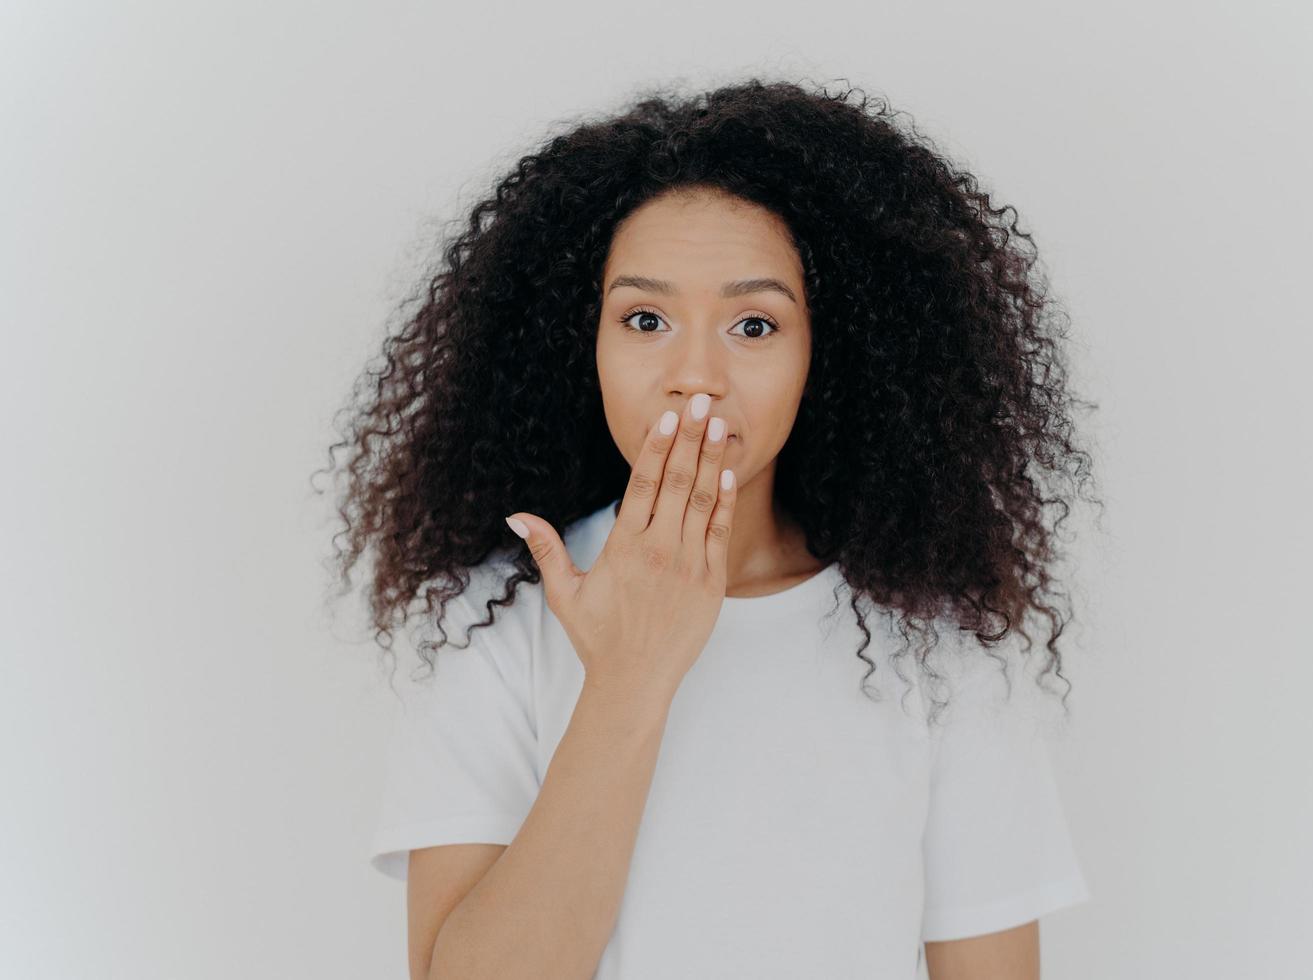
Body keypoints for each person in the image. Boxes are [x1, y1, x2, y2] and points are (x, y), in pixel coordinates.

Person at [318, 77, 1100, 980]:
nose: (696, 375)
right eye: (645, 319)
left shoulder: (940, 640)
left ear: (827, 358)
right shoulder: (491, 615)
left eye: (754, 324)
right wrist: (630, 678)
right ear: (585, 345)